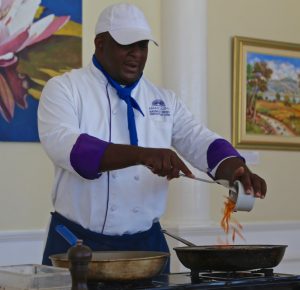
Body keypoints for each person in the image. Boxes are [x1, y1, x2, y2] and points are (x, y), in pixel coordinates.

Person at [38, 3, 267, 271]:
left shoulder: (163, 100)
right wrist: (144, 154)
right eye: (127, 45)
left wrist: (236, 168)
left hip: (147, 248)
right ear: (100, 44)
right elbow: (72, 149)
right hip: (78, 246)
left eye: (143, 46)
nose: (137, 54)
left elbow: (200, 139)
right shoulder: (65, 89)